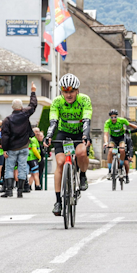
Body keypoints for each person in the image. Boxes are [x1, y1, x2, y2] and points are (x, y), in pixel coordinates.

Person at [44, 73, 92, 216]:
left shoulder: (84, 100)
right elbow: (53, 122)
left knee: (81, 153)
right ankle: (58, 201)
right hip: (63, 134)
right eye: (65, 91)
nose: (68, 94)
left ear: (77, 90)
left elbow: (87, 120)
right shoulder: (57, 102)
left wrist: (85, 135)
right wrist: (48, 136)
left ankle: (82, 175)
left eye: (71, 91)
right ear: (61, 92)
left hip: (79, 133)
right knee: (60, 163)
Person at [0, 84, 38, 198]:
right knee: (22, 168)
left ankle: (9, 191)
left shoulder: (7, 120)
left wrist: (5, 149)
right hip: (24, 146)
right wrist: (33, 92)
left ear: (12, 107)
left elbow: (5, 136)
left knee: (9, 168)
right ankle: (20, 191)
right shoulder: (25, 114)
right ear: (21, 107)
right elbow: (33, 105)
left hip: (12, 148)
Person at [103, 109, 137, 183]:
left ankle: (120, 167)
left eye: (115, 117)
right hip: (113, 138)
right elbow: (106, 134)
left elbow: (130, 125)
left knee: (122, 149)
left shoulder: (122, 120)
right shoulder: (107, 123)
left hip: (121, 138)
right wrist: (106, 142)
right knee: (110, 151)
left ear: (117, 116)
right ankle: (110, 170)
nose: (113, 119)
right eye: (112, 117)